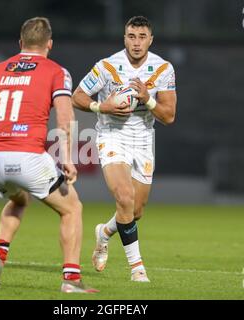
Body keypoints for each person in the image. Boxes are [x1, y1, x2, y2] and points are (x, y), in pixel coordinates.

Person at [0, 17, 97, 293]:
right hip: (27, 156)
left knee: (18, 200)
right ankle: (71, 281)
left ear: (20, 43)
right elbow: (65, 114)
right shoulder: (57, 71)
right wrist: (67, 158)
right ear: (50, 44)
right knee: (73, 208)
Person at [72, 16, 177, 282]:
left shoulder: (163, 69)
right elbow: (78, 96)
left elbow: (169, 116)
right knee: (125, 197)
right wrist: (101, 106)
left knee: (135, 211)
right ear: (124, 38)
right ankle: (137, 269)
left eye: (142, 37)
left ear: (150, 40)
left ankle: (104, 233)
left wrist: (148, 99)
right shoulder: (107, 66)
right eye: (132, 36)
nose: (137, 42)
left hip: (143, 141)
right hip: (111, 136)